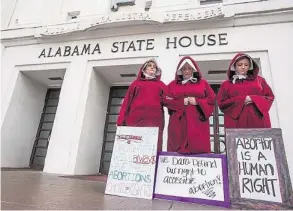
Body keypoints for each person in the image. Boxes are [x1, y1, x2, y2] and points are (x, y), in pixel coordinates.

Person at [117, 59, 183, 152]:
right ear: (144, 69)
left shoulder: (161, 85)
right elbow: (126, 103)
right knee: (133, 149)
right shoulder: (135, 84)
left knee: (151, 150)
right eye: (149, 65)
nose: (152, 67)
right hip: (134, 122)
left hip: (154, 123)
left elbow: (169, 100)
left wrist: (181, 102)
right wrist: (121, 121)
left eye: (154, 66)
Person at [167, 56, 216, 154]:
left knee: (198, 147)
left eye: (189, 68)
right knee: (177, 148)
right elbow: (166, 100)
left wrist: (198, 101)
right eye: (184, 68)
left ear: (194, 69)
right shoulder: (172, 84)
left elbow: (212, 99)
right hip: (179, 121)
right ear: (180, 70)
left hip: (197, 121)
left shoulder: (203, 83)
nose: (187, 71)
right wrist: (181, 102)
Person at [217, 53, 275, 128]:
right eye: (240, 65)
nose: (243, 67)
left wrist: (253, 99)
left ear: (250, 66)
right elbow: (221, 103)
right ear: (234, 66)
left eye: (246, 65)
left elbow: (270, 97)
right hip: (236, 122)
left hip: (258, 120)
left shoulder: (260, 80)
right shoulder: (226, 84)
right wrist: (241, 100)